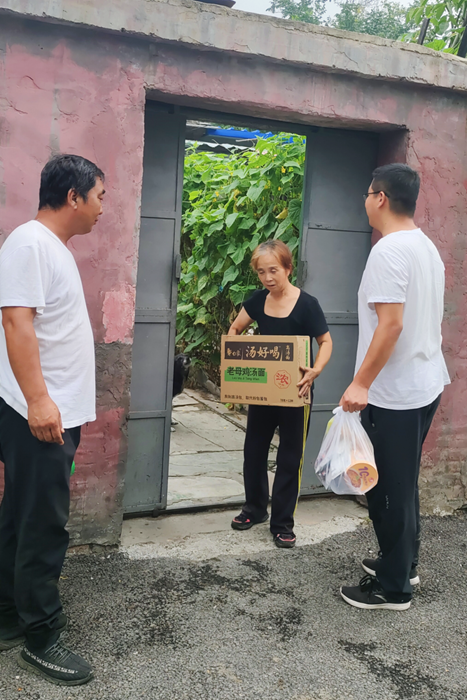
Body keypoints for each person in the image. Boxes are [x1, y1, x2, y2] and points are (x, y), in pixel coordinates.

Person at [0, 154, 105, 684]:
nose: (102, 208)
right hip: (40, 415)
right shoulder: (30, 243)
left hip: (49, 412)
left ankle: (8, 616)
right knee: (43, 524)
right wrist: (39, 401)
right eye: (100, 197)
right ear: (73, 196)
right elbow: (15, 322)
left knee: (20, 516)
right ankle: (41, 637)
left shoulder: (50, 246)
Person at [339, 164, 450, 610]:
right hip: (424, 382)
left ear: (380, 198)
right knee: (402, 484)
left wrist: (360, 383)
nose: (366, 201)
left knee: (386, 488)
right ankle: (403, 563)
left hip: (396, 394)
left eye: (368, 194)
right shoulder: (426, 247)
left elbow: (391, 325)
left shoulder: (388, 251)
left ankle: (393, 588)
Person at [229, 240, 332, 548]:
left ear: (288, 268)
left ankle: (283, 523)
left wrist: (315, 370)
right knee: (254, 451)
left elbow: (326, 342)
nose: (267, 278)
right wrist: (236, 359)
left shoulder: (307, 304)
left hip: (297, 392)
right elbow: (235, 329)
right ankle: (255, 508)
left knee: (290, 457)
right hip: (264, 392)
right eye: (261, 272)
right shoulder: (257, 300)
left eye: (273, 270)